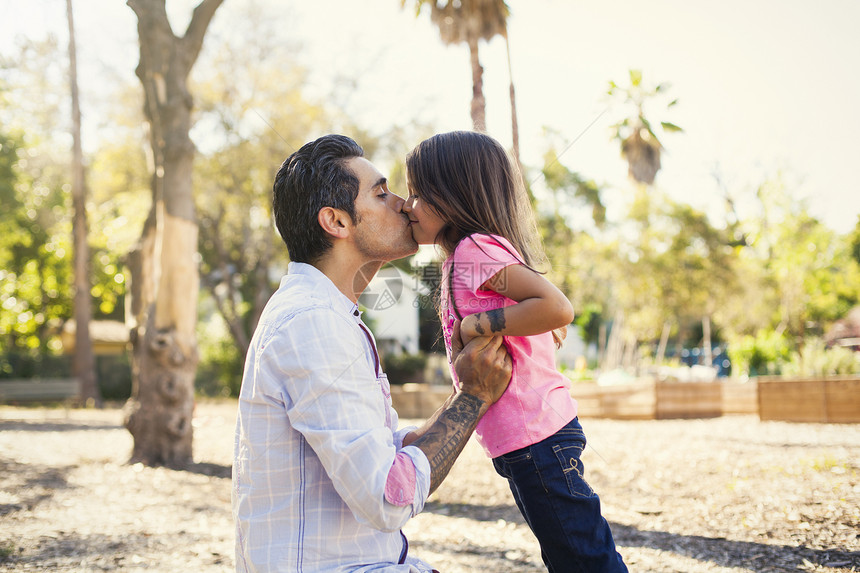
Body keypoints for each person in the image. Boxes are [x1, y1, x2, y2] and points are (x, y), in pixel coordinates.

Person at [232, 134, 513, 573]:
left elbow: (382, 453)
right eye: (381, 194)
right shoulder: (312, 323)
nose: (403, 204)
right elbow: (388, 495)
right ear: (337, 222)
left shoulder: (328, 313)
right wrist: (472, 398)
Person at [402, 130, 628, 572]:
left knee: (583, 556)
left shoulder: (474, 249)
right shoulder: (461, 257)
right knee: (571, 554)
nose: (407, 206)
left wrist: (476, 323)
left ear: (450, 195)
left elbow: (556, 307)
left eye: (416, 194)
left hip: (538, 438)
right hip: (526, 441)